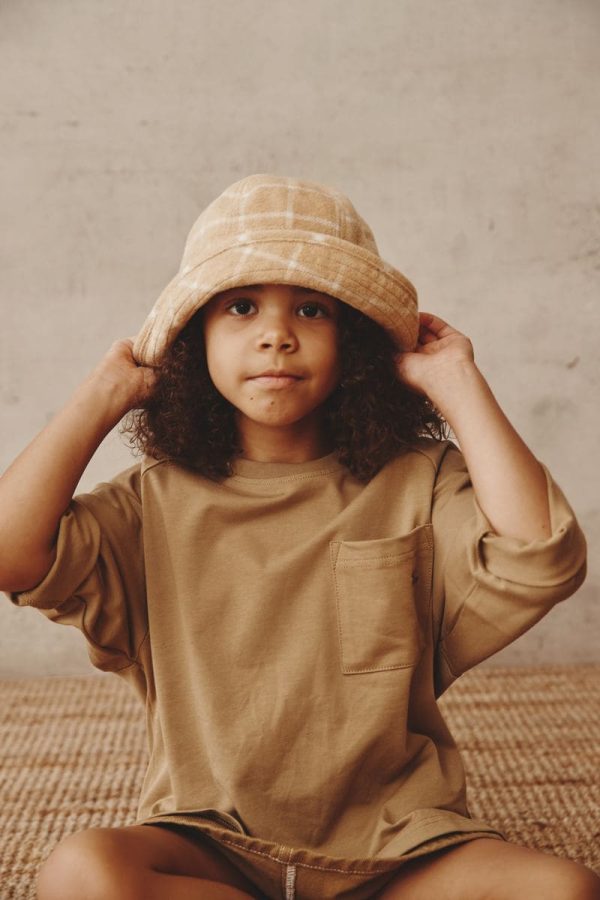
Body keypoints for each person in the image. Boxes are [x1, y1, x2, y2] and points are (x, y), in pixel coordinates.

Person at [0, 173, 597, 900]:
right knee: (80, 875)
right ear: (195, 342)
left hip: (400, 850)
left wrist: (458, 382)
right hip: (209, 842)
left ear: (354, 343)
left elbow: (545, 556)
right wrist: (103, 394)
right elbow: (11, 553)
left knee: (562, 889)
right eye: (241, 307)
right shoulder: (151, 503)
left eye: (311, 309)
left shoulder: (418, 481)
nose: (276, 334)